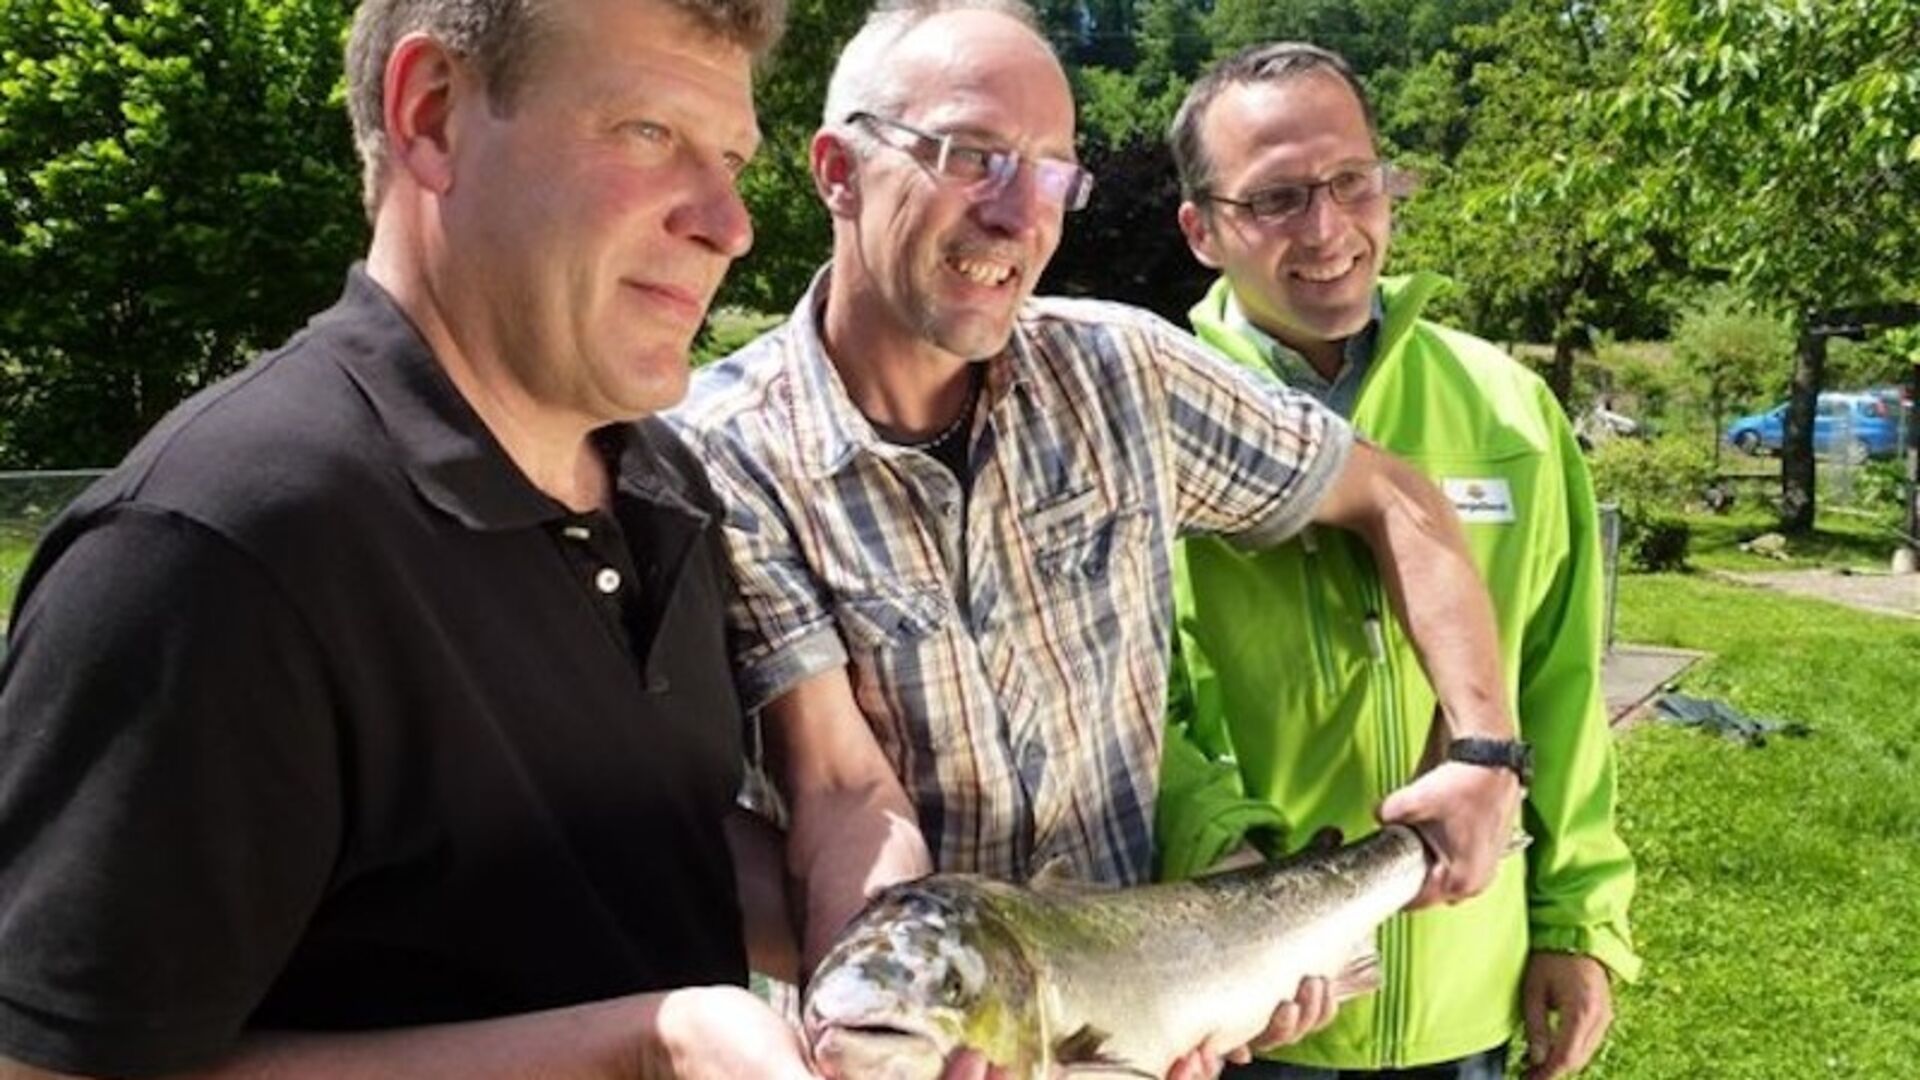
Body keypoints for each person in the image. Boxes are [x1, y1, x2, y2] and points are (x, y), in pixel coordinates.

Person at [0, 0, 852, 1076]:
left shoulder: (657, 480)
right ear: (434, 116)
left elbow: (627, 844)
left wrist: (914, 961)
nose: (731, 224)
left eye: (729, 157)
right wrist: (638, 1051)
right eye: (651, 132)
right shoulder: (215, 552)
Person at [671, 2, 1527, 1071]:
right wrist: (929, 1005)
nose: (1015, 214)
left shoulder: (1123, 374)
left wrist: (1485, 753)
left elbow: (1395, 498)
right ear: (838, 170)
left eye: (1051, 174)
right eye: (972, 157)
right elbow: (840, 792)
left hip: (1153, 1020)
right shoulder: (718, 456)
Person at [1155, 42, 1640, 1080]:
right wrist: (1240, 875)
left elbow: (1559, 683)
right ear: (1201, 229)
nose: (1327, 230)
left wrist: (1578, 920)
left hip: (1469, 996)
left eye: (1350, 182)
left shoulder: (1508, 408)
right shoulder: (1149, 421)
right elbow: (1122, 708)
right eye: (1276, 198)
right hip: (1248, 999)